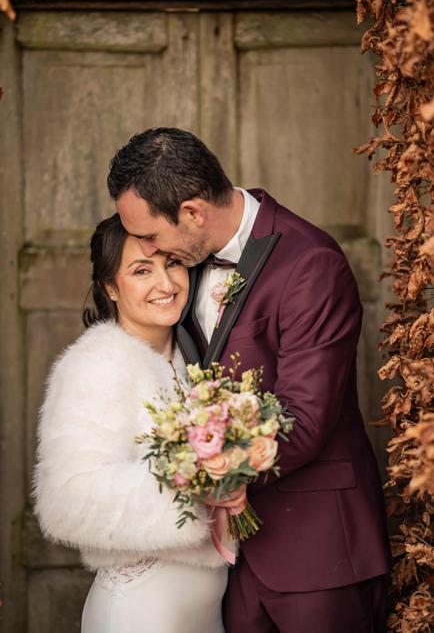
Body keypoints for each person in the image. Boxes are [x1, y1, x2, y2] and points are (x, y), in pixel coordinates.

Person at [110, 127, 392, 633]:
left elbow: (305, 418)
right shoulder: (183, 265)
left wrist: (205, 475)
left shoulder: (311, 263)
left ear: (193, 213)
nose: (146, 248)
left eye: (150, 235)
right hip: (227, 564)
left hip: (318, 552)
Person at [33, 212, 241, 633]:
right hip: (142, 609)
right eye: (142, 270)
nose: (165, 284)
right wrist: (192, 485)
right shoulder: (96, 365)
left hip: (208, 611)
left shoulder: (196, 358)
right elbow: (65, 500)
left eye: (173, 263)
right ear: (110, 286)